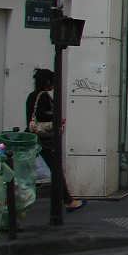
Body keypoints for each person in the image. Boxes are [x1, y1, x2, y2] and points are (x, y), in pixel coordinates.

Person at [25, 69, 85, 212]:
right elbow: (43, 115)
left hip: (33, 137)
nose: (53, 85)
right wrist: (56, 117)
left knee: (34, 170)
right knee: (56, 169)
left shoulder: (32, 96)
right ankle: (68, 201)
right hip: (44, 139)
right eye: (52, 82)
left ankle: (66, 199)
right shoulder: (43, 96)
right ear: (47, 82)